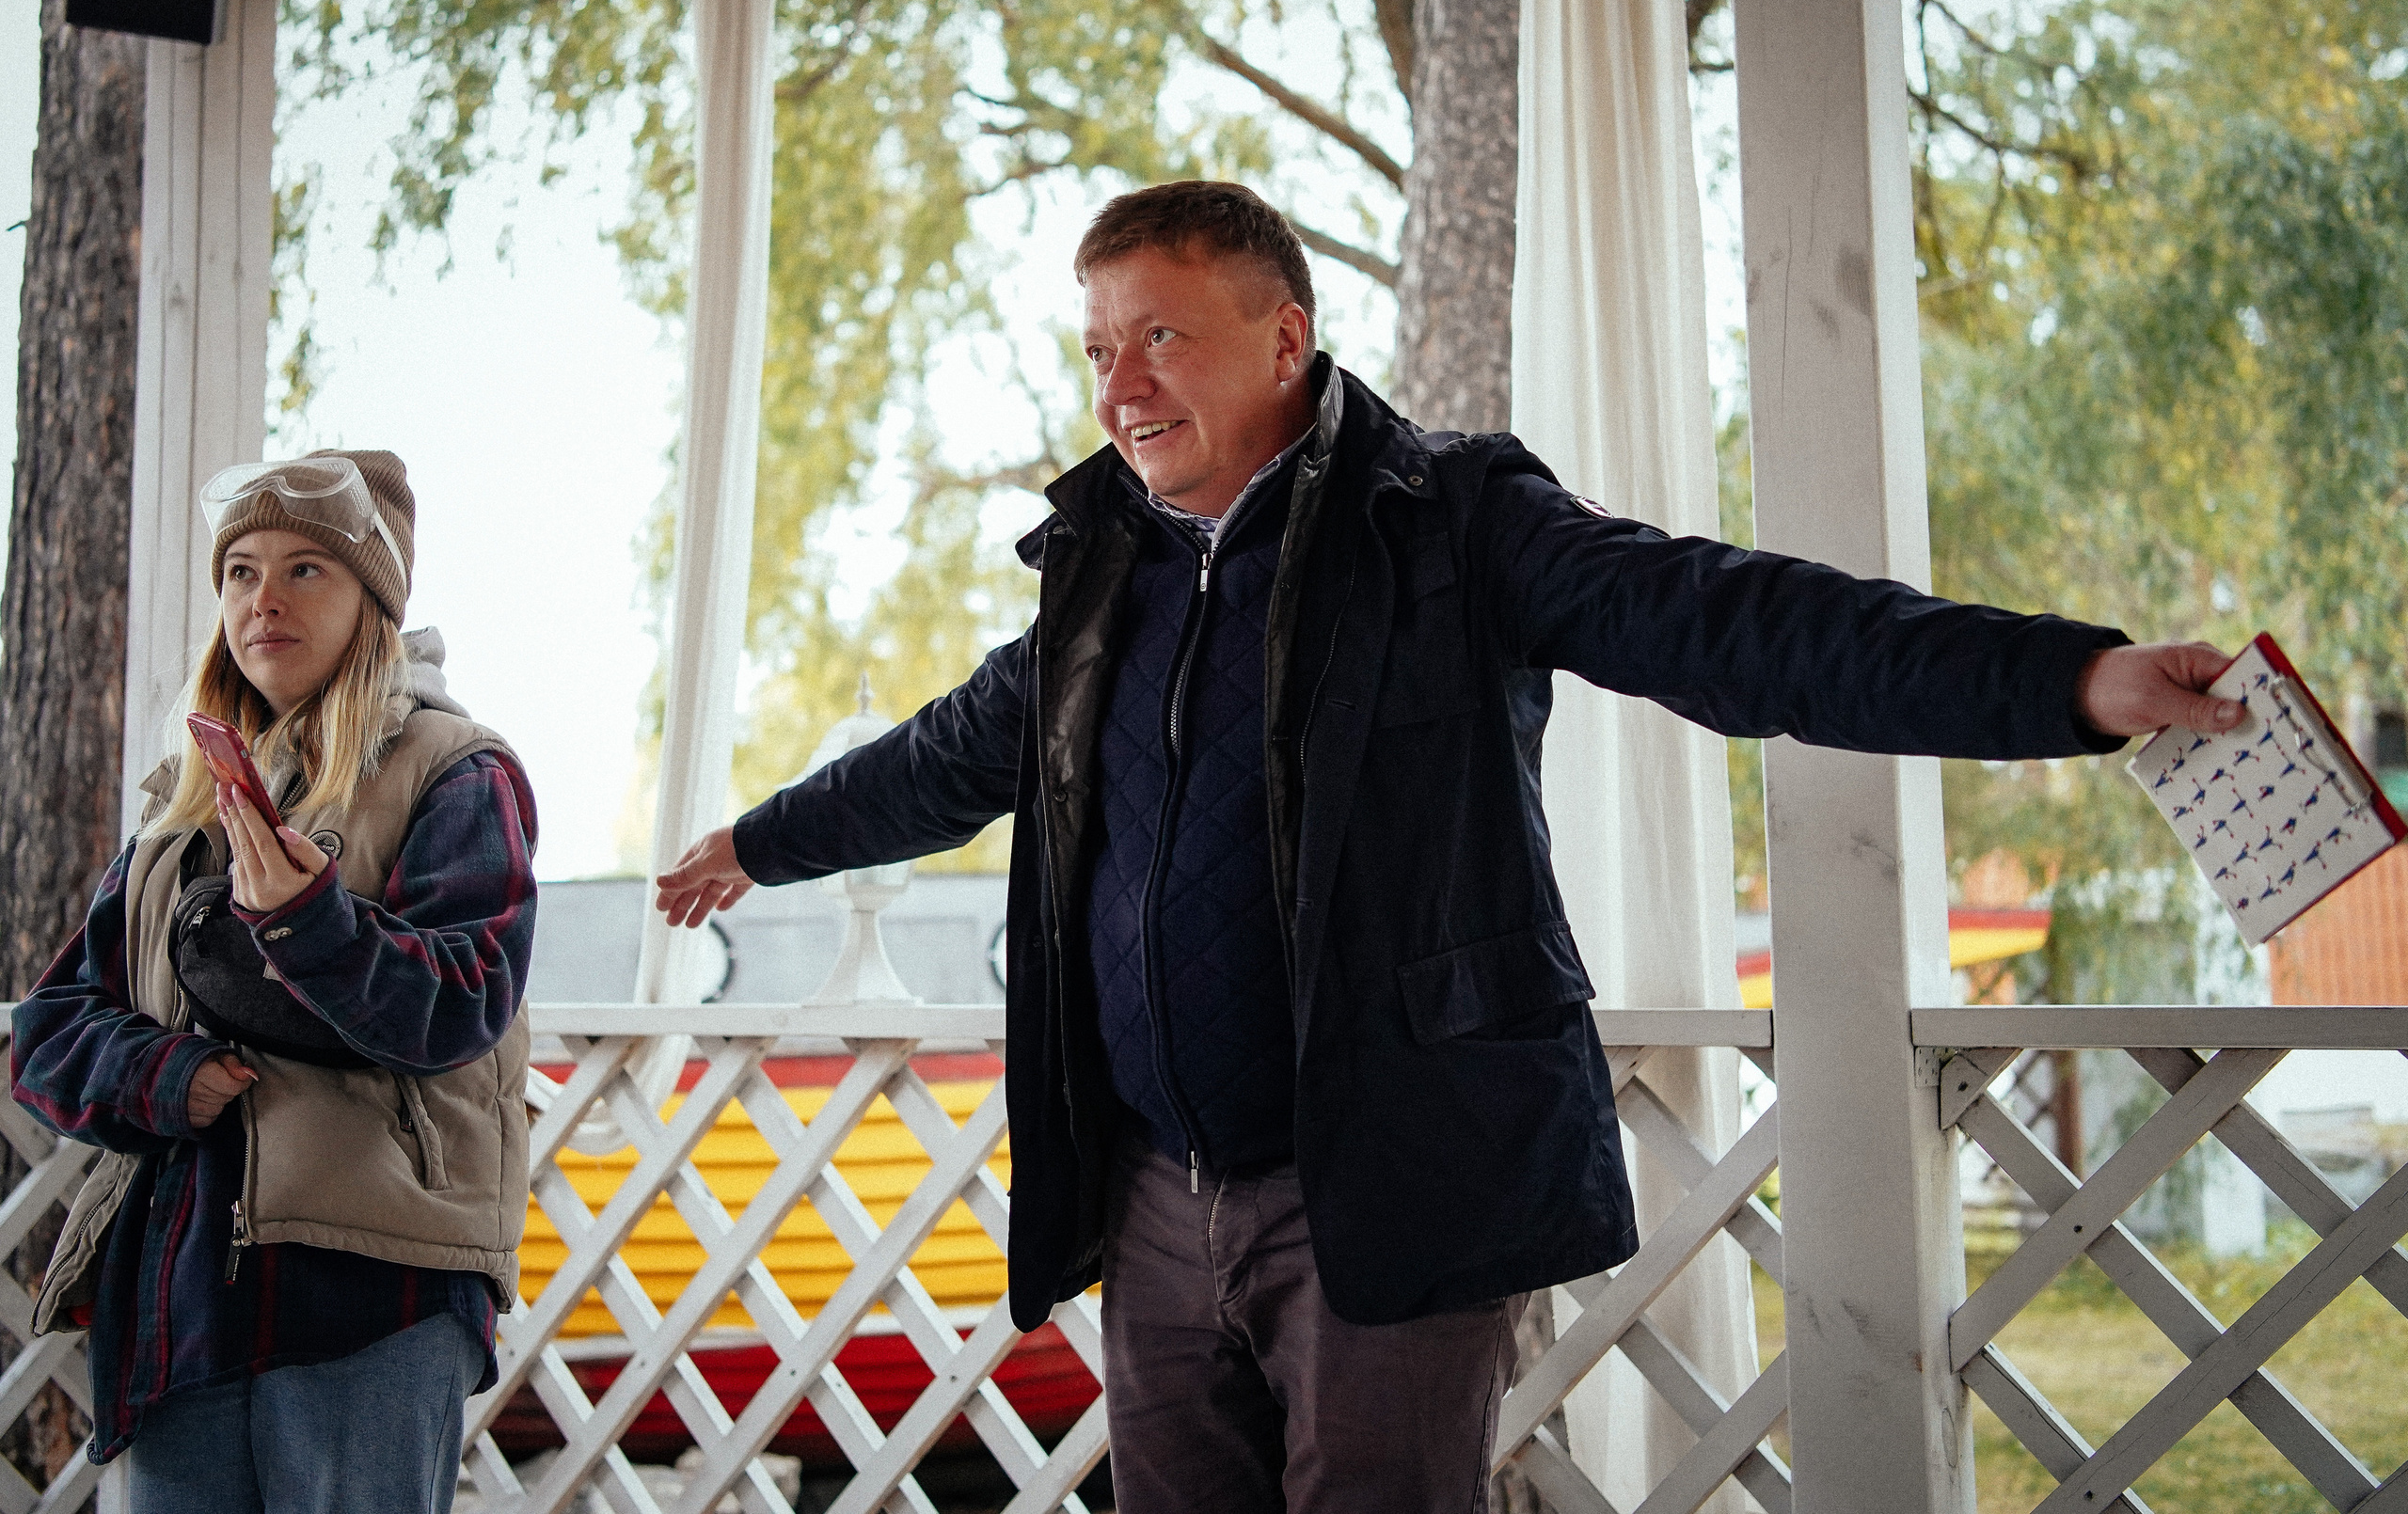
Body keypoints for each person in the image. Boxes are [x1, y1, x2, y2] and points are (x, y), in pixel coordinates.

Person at [656, 181, 2236, 1512]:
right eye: (1097, 349)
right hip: (1149, 1198)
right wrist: (756, 838)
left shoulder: (1454, 515)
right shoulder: (1099, 580)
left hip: (1390, 1184)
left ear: (1284, 338)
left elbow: (1734, 620)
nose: (1121, 388)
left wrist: (2066, 681)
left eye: (1160, 338)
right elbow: (944, 757)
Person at [12, 449, 538, 1514]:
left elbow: (463, 1000)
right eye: (241, 571)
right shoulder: (184, 805)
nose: (264, 599)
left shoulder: (456, 769)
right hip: (183, 1297)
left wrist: (310, 924)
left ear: (371, 603)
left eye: (307, 570)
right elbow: (52, 1025)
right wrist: (170, 1076)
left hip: (368, 1292)